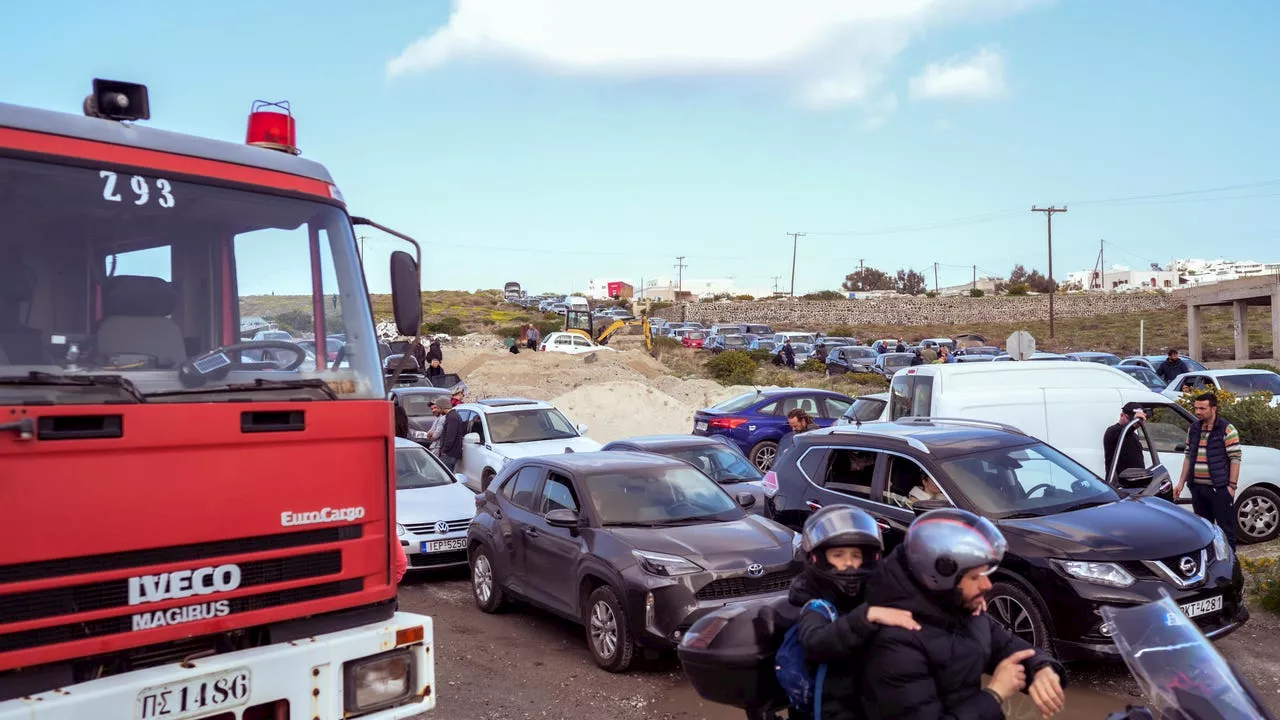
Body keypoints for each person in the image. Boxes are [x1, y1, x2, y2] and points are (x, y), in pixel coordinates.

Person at [860, 508, 1067, 720]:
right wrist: (995, 694)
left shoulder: (957, 607)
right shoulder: (894, 644)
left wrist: (1041, 668)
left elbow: (1006, 645)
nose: (988, 585)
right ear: (938, 577)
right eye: (975, 577)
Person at [788, 505, 922, 720]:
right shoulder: (816, 606)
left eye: (856, 555)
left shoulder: (873, 594)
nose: (849, 563)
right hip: (834, 709)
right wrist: (866, 617)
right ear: (818, 558)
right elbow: (815, 643)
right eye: (838, 555)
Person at [1174, 392, 1241, 549]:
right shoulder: (1194, 429)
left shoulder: (1227, 429)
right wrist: (1181, 483)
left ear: (1214, 409)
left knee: (1226, 530)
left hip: (1219, 488)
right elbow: (1188, 456)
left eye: (1202, 408)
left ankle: (1230, 565)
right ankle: (1210, 563)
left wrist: (1231, 486)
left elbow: (1235, 459)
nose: (1198, 412)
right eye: (1196, 408)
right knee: (1203, 530)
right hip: (1198, 488)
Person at [1103, 402, 1147, 481]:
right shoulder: (1112, 431)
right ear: (1122, 415)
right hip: (1119, 484)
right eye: (1129, 419)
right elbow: (1123, 432)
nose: (1135, 423)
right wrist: (1133, 425)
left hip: (1136, 482)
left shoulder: (1134, 435)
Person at [435, 396, 464, 472]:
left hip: (450, 454)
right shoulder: (451, 416)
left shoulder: (452, 418)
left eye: (438, 408)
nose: (437, 410)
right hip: (450, 453)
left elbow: (450, 437)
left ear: (442, 407)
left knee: (445, 476)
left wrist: (444, 450)